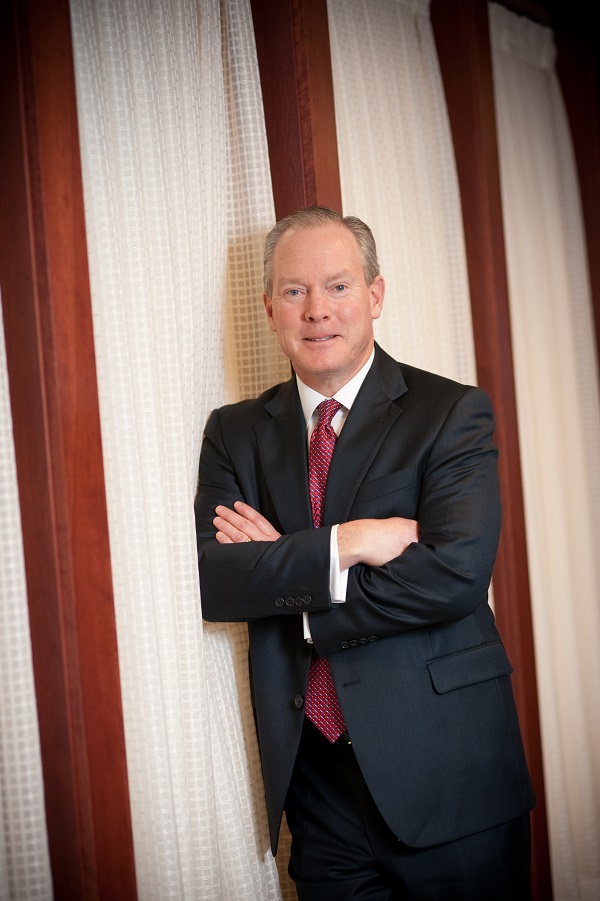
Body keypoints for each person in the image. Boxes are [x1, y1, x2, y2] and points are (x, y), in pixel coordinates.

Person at [195, 206, 535, 899]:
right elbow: (220, 581)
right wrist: (350, 542)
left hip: (450, 769)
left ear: (375, 295)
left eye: (339, 286)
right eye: (294, 290)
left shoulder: (450, 413)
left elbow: (454, 575)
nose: (317, 310)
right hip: (317, 789)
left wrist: (291, 581)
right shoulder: (234, 433)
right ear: (270, 308)